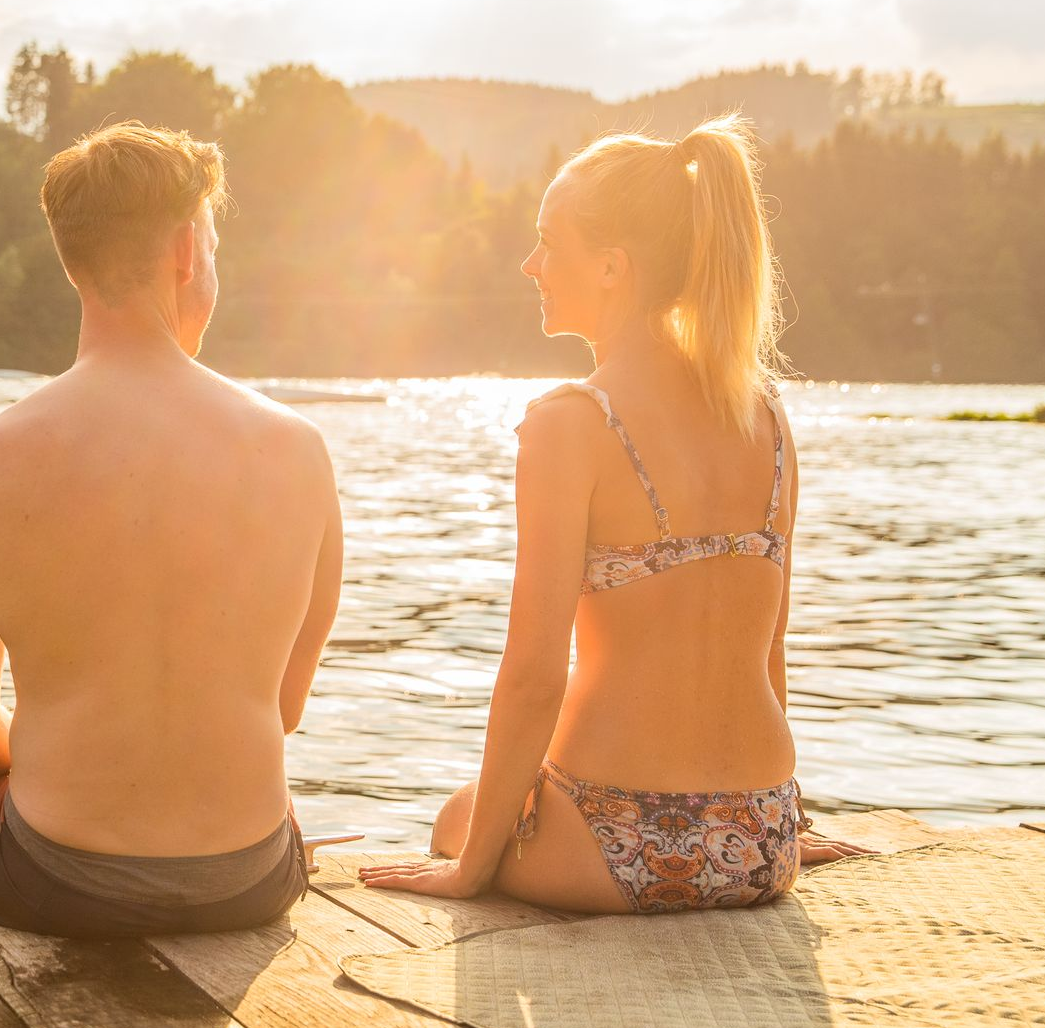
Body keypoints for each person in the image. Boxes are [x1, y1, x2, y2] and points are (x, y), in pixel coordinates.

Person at [361, 115, 868, 914]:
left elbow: (532, 675)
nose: (530, 264)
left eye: (547, 242)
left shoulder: (571, 422)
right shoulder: (764, 414)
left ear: (610, 266)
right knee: (493, 803)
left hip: (623, 843)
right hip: (765, 837)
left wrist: (471, 865)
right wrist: (781, 822)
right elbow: (767, 651)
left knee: (460, 816)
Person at [0, 121, 343, 937]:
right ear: (186, 252)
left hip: (56, 879)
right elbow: (281, 709)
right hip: (248, 876)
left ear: (73, 260)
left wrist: (54, 762)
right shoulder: (298, 449)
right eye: (212, 247)